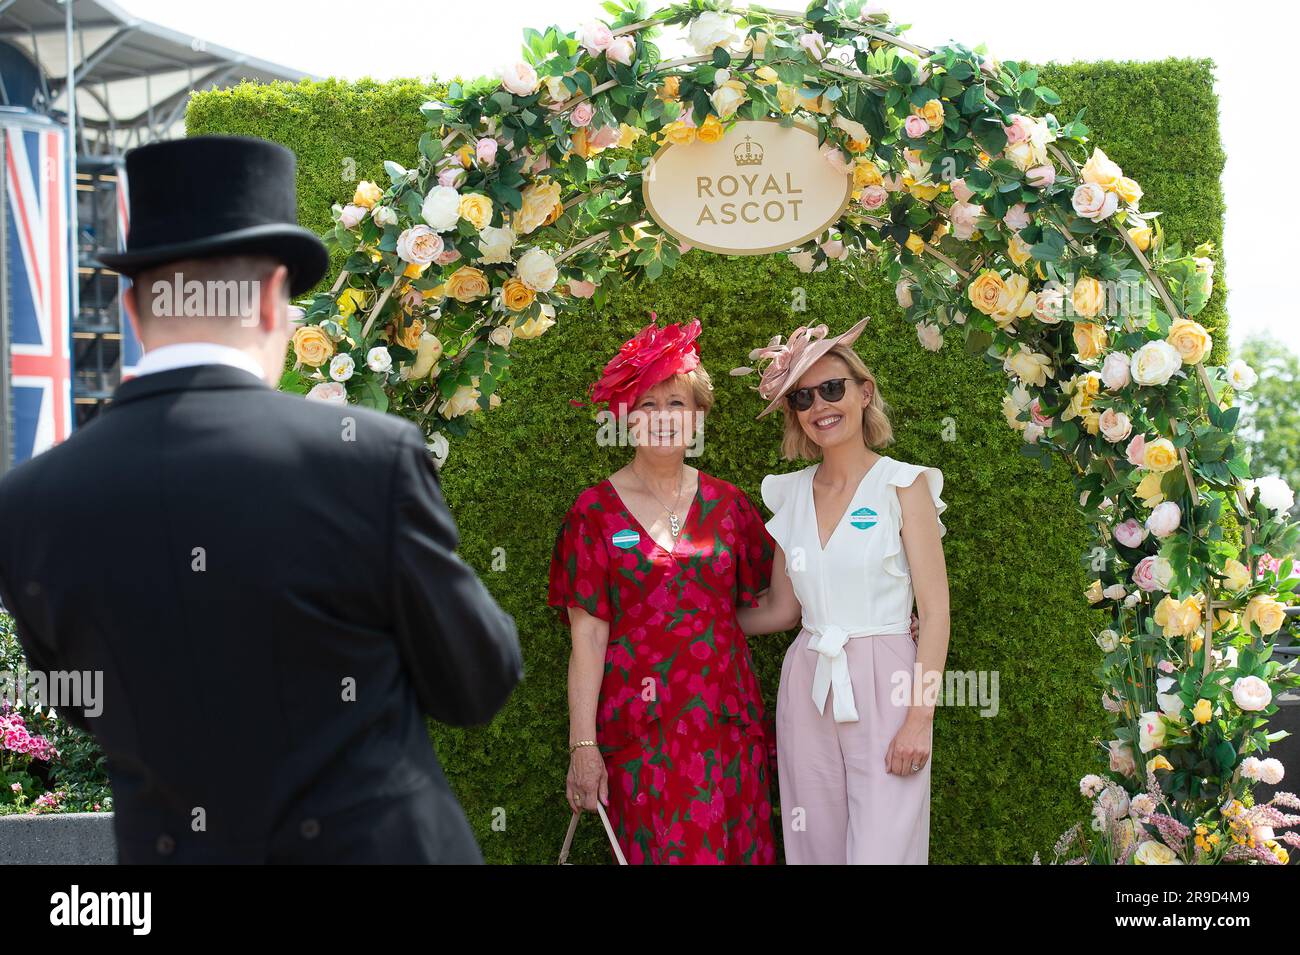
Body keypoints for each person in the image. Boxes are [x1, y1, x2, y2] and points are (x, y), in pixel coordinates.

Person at [0, 135, 523, 863]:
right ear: (275, 298)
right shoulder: (367, 458)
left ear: (131, 305)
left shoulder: (27, 502)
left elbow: (81, 703)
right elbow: (477, 681)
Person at [547, 317, 777, 864]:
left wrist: (878, 620)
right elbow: (589, 637)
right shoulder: (593, 512)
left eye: (676, 404)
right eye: (646, 406)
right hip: (640, 728)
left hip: (726, 721)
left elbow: (772, 607)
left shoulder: (730, 504)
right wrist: (584, 746)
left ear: (697, 416)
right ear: (625, 418)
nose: (662, 419)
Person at [734, 317, 950, 864]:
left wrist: (919, 720)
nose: (820, 407)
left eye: (833, 388)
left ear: (864, 392)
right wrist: (690, 617)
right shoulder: (789, 496)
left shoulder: (904, 485)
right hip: (808, 680)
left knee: (883, 851)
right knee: (815, 847)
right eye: (803, 398)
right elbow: (783, 610)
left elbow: (937, 614)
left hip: (888, 678)